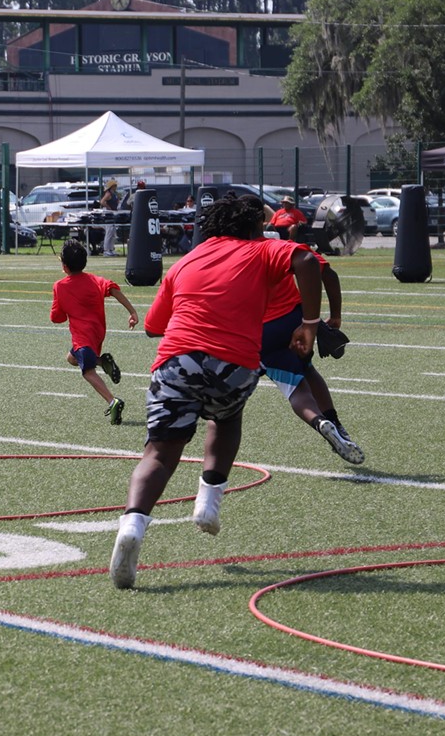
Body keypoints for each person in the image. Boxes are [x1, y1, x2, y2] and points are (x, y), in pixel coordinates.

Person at [109, 193, 322, 590]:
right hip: (234, 362)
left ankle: (133, 525)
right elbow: (308, 261)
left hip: (176, 361)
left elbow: (155, 326)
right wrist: (310, 323)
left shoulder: (186, 261)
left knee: (159, 452)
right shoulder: (262, 249)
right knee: (226, 416)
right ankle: (208, 501)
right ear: (254, 226)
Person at [257, 228, 364, 464]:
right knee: (307, 370)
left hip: (255, 330)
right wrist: (334, 316)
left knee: (294, 389)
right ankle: (333, 423)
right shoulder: (280, 247)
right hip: (295, 321)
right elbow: (328, 273)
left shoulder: (229, 249)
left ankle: (319, 421)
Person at [50, 239, 139, 425]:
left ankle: (112, 400)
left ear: (64, 266)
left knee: (87, 372)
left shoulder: (60, 286)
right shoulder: (94, 280)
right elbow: (114, 289)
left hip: (83, 337)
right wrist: (132, 312)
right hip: (98, 332)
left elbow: (57, 318)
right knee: (71, 358)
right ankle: (102, 361)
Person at [100, 179, 120, 256]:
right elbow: (102, 202)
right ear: (112, 186)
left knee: (113, 233)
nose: (116, 187)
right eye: (115, 185)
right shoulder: (108, 193)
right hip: (109, 214)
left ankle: (111, 249)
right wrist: (108, 207)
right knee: (109, 232)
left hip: (113, 213)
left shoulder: (114, 193)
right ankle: (106, 250)